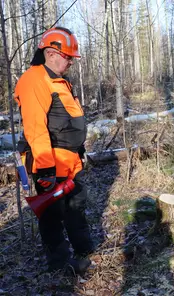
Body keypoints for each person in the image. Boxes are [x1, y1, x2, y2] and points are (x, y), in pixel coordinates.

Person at [14, 27, 94, 274]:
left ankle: (84, 249)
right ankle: (60, 264)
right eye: (67, 57)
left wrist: (79, 151)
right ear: (50, 53)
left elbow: (67, 118)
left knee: (76, 206)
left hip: (69, 161)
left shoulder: (59, 80)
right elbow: (36, 127)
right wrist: (46, 168)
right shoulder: (34, 80)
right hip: (50, 162)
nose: (71, 62)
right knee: (52, 215)